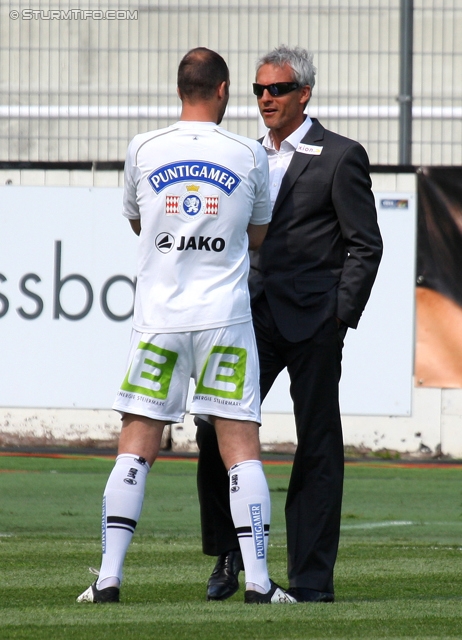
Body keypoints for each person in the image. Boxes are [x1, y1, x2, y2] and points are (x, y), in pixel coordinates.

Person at [76, 47, 295, 605]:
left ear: (181, 90)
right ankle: (258, 582)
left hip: (159, 321)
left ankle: (107, 579)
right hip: (224, 319)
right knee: (240, 446)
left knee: (136, 445)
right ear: (222, 90)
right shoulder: (248, 153)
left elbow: (136, 221)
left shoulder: (144, 148)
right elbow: (259, 235)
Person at [195, 45, 383, 603]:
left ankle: (311, 579)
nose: (265, 99)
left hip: (314, 323)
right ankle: (229, 556)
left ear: (304, 93)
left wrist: (338, 318)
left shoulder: (341, 156)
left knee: (319, 446)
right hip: (247, 316)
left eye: (276, 89)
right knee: (212, 429)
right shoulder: (244, 156)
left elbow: (365, 247)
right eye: (257, 90)